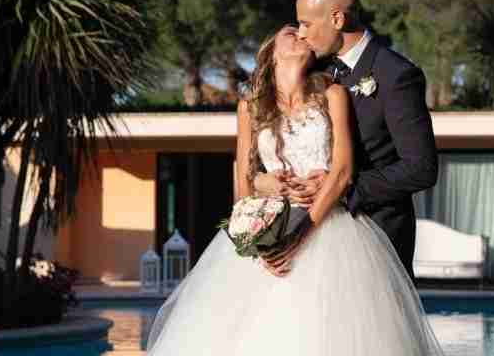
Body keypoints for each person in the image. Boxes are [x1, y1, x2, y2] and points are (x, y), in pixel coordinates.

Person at [145, 19, 444, 355]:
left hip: (331, 225)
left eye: (302, 30)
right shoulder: (250, 106)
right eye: (291, 33)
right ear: (272, 54)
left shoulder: (333, 94)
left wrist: (301, 233)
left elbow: (343, 170)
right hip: (272, 225)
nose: (301, 35)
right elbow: (244, 179)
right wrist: (259, 236)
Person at [256, 0, 438, 280]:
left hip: (376, 236)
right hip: (310, 246)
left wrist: (344, 189)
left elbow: (421, 168)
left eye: (306, 24)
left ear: (337, 19)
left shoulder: (396, 75)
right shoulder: (313, 69)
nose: (301, 33)